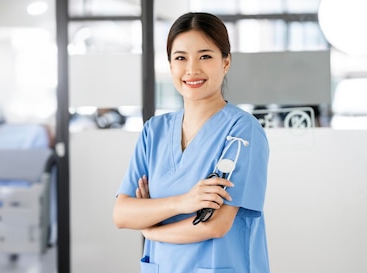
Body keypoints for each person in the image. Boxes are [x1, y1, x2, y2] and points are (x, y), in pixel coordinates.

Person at [112, 12, 270, 273]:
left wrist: (150, 228)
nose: (192, 69)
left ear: (226, 62)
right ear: (171, 65)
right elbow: (122, 214)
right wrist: (184, 202)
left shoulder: (241, 131)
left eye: (205, 56)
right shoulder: (155, 131)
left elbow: (215, 225)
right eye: (180, 58)